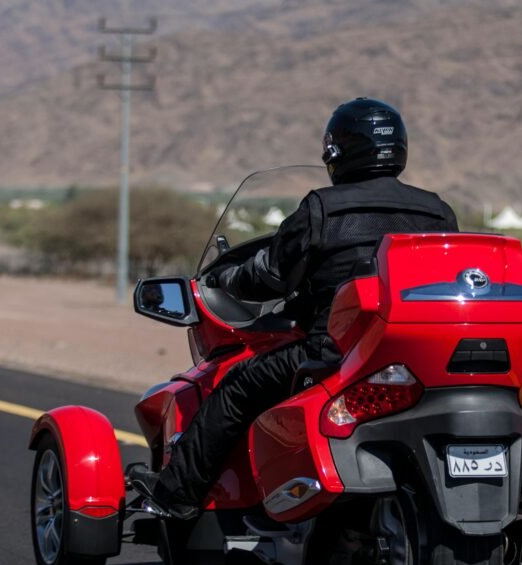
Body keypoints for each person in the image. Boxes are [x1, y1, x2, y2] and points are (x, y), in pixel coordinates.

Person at [129, 97, 458, 519]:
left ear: (336, 152)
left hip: (333, 353)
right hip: (421, 356)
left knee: (236, 388)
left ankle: (176, 495)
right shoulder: (437, 211)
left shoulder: (324, 208)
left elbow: (270, 275)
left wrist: (227, 278)